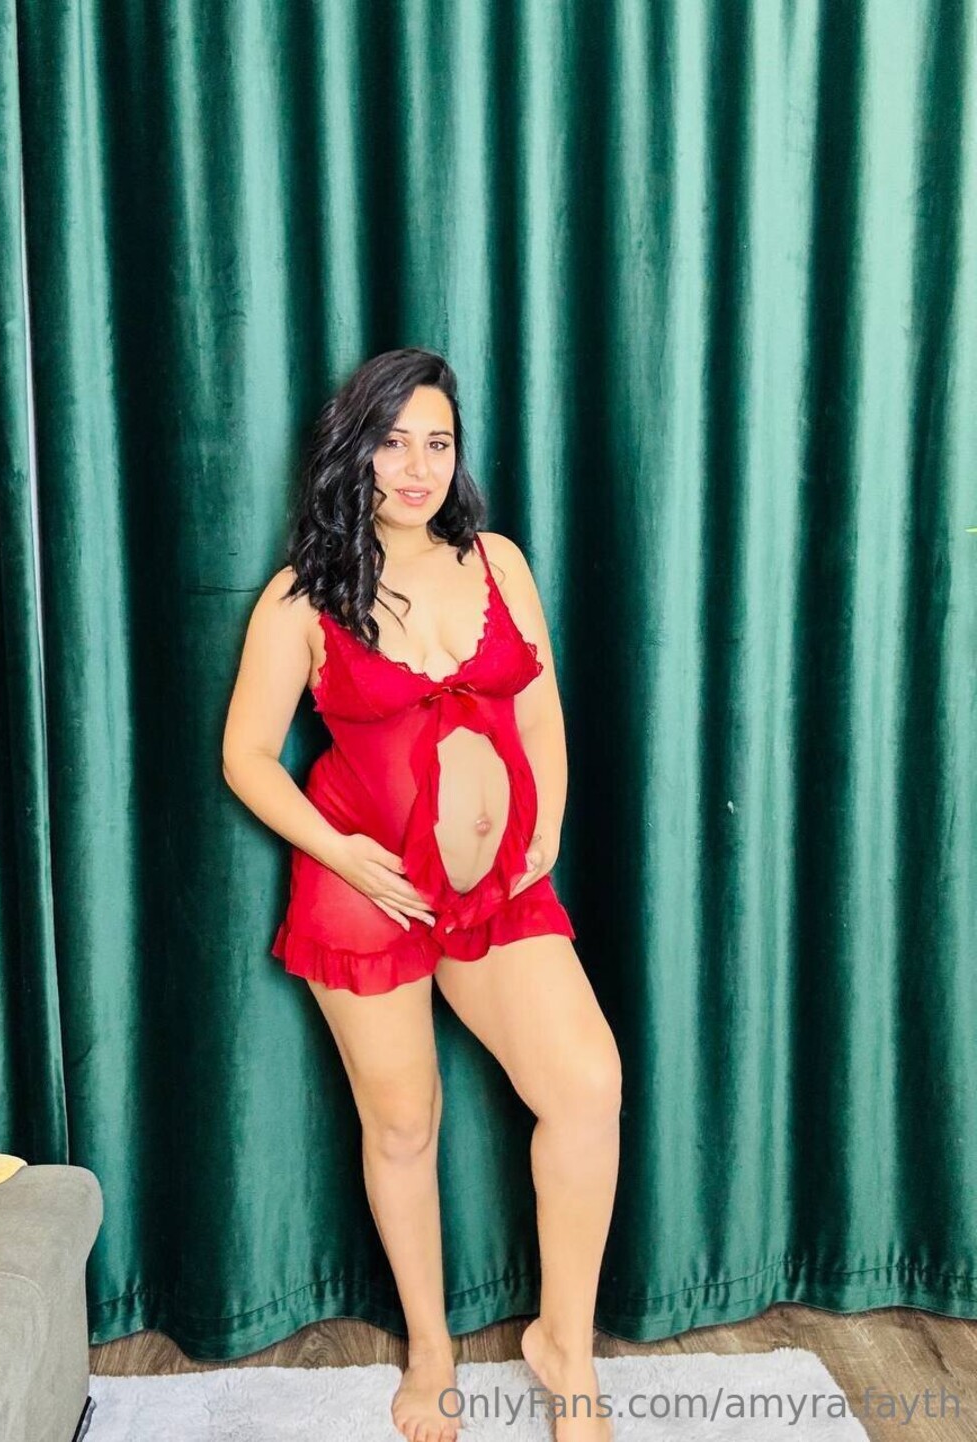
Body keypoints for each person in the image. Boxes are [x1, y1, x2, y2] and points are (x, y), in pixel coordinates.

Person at [222, 347, 622, 1442]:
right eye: (393, 442)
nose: (417, 466)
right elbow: (247, 755)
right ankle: (432, 1344)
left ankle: (564, 1349)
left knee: (587, 1084)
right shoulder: (302, 596)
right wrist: (344, 855)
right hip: (368, 888)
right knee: (404, 1121)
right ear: (353, 452)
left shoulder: (498, 560)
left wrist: (546, 824)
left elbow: (538, 706)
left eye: (437, 442)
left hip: (496, 890)